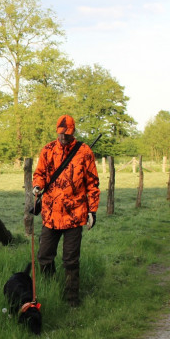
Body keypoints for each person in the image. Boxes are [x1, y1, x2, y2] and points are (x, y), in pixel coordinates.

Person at [32, 114, 100, 307]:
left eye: (67, 133)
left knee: (71, 260)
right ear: (57, 131)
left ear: (73, 131)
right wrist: (37, 185)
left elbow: (92, 183)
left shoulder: (84, 151)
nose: (63, 137)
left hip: (75, 214)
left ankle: (72, 300)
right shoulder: (48, 150)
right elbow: (40, 174)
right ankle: (50, 289)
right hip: (51, 214)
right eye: (60, 133)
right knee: (44, 256)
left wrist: (92, 211)